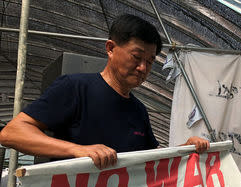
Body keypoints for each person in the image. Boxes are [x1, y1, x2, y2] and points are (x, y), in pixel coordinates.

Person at [0, 14, 209, 169]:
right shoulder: (74, 88)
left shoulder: (138, 110)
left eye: (150, 61)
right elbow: (12, 133)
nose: (143, 68)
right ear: (110, 48)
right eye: (136, 57)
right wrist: (78, 150)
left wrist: (185, 149)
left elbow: (150, 158)